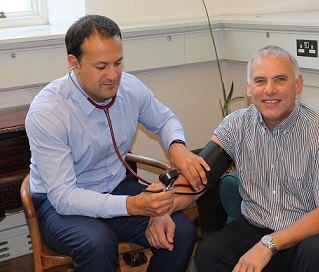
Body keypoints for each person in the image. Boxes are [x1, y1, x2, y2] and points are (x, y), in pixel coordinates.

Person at [25, 14, 209, 272]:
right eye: (101, 66)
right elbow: (64, 197)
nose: (113, 75)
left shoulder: (130, 88)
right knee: (98, 244)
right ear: (74, 62)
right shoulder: (48, 111)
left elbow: (166, 119)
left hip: (115, 187)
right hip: (61, 205)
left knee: (181, 231)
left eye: (118, 63)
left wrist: (176, 146)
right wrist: (134, 206)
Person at [190, 45, 319, 271]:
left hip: (313, 232)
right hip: (256, 226)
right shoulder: (235, 125)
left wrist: (268, 245)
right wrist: (163, 205)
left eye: (280, 79)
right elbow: (200, 174)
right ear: (249, 88)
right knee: (209, 254)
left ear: (297, 85)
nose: (270, 89)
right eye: (260, 81)